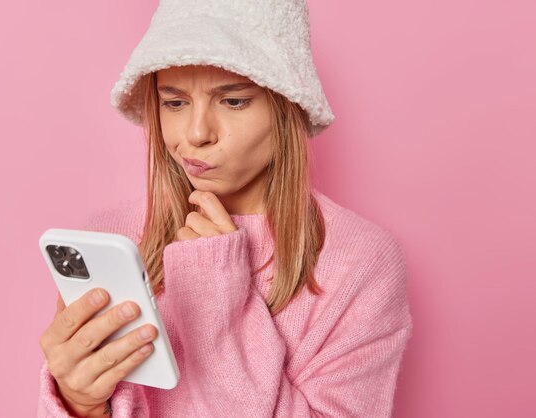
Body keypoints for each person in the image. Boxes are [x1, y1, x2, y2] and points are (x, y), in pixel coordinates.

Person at [37, 1, 413, 417]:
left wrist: (220, 297)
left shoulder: (359, 262)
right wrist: (79, 403)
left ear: (285, 107)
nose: (196, 134)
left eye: (233, 101)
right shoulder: (113, 235)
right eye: (174, 102)